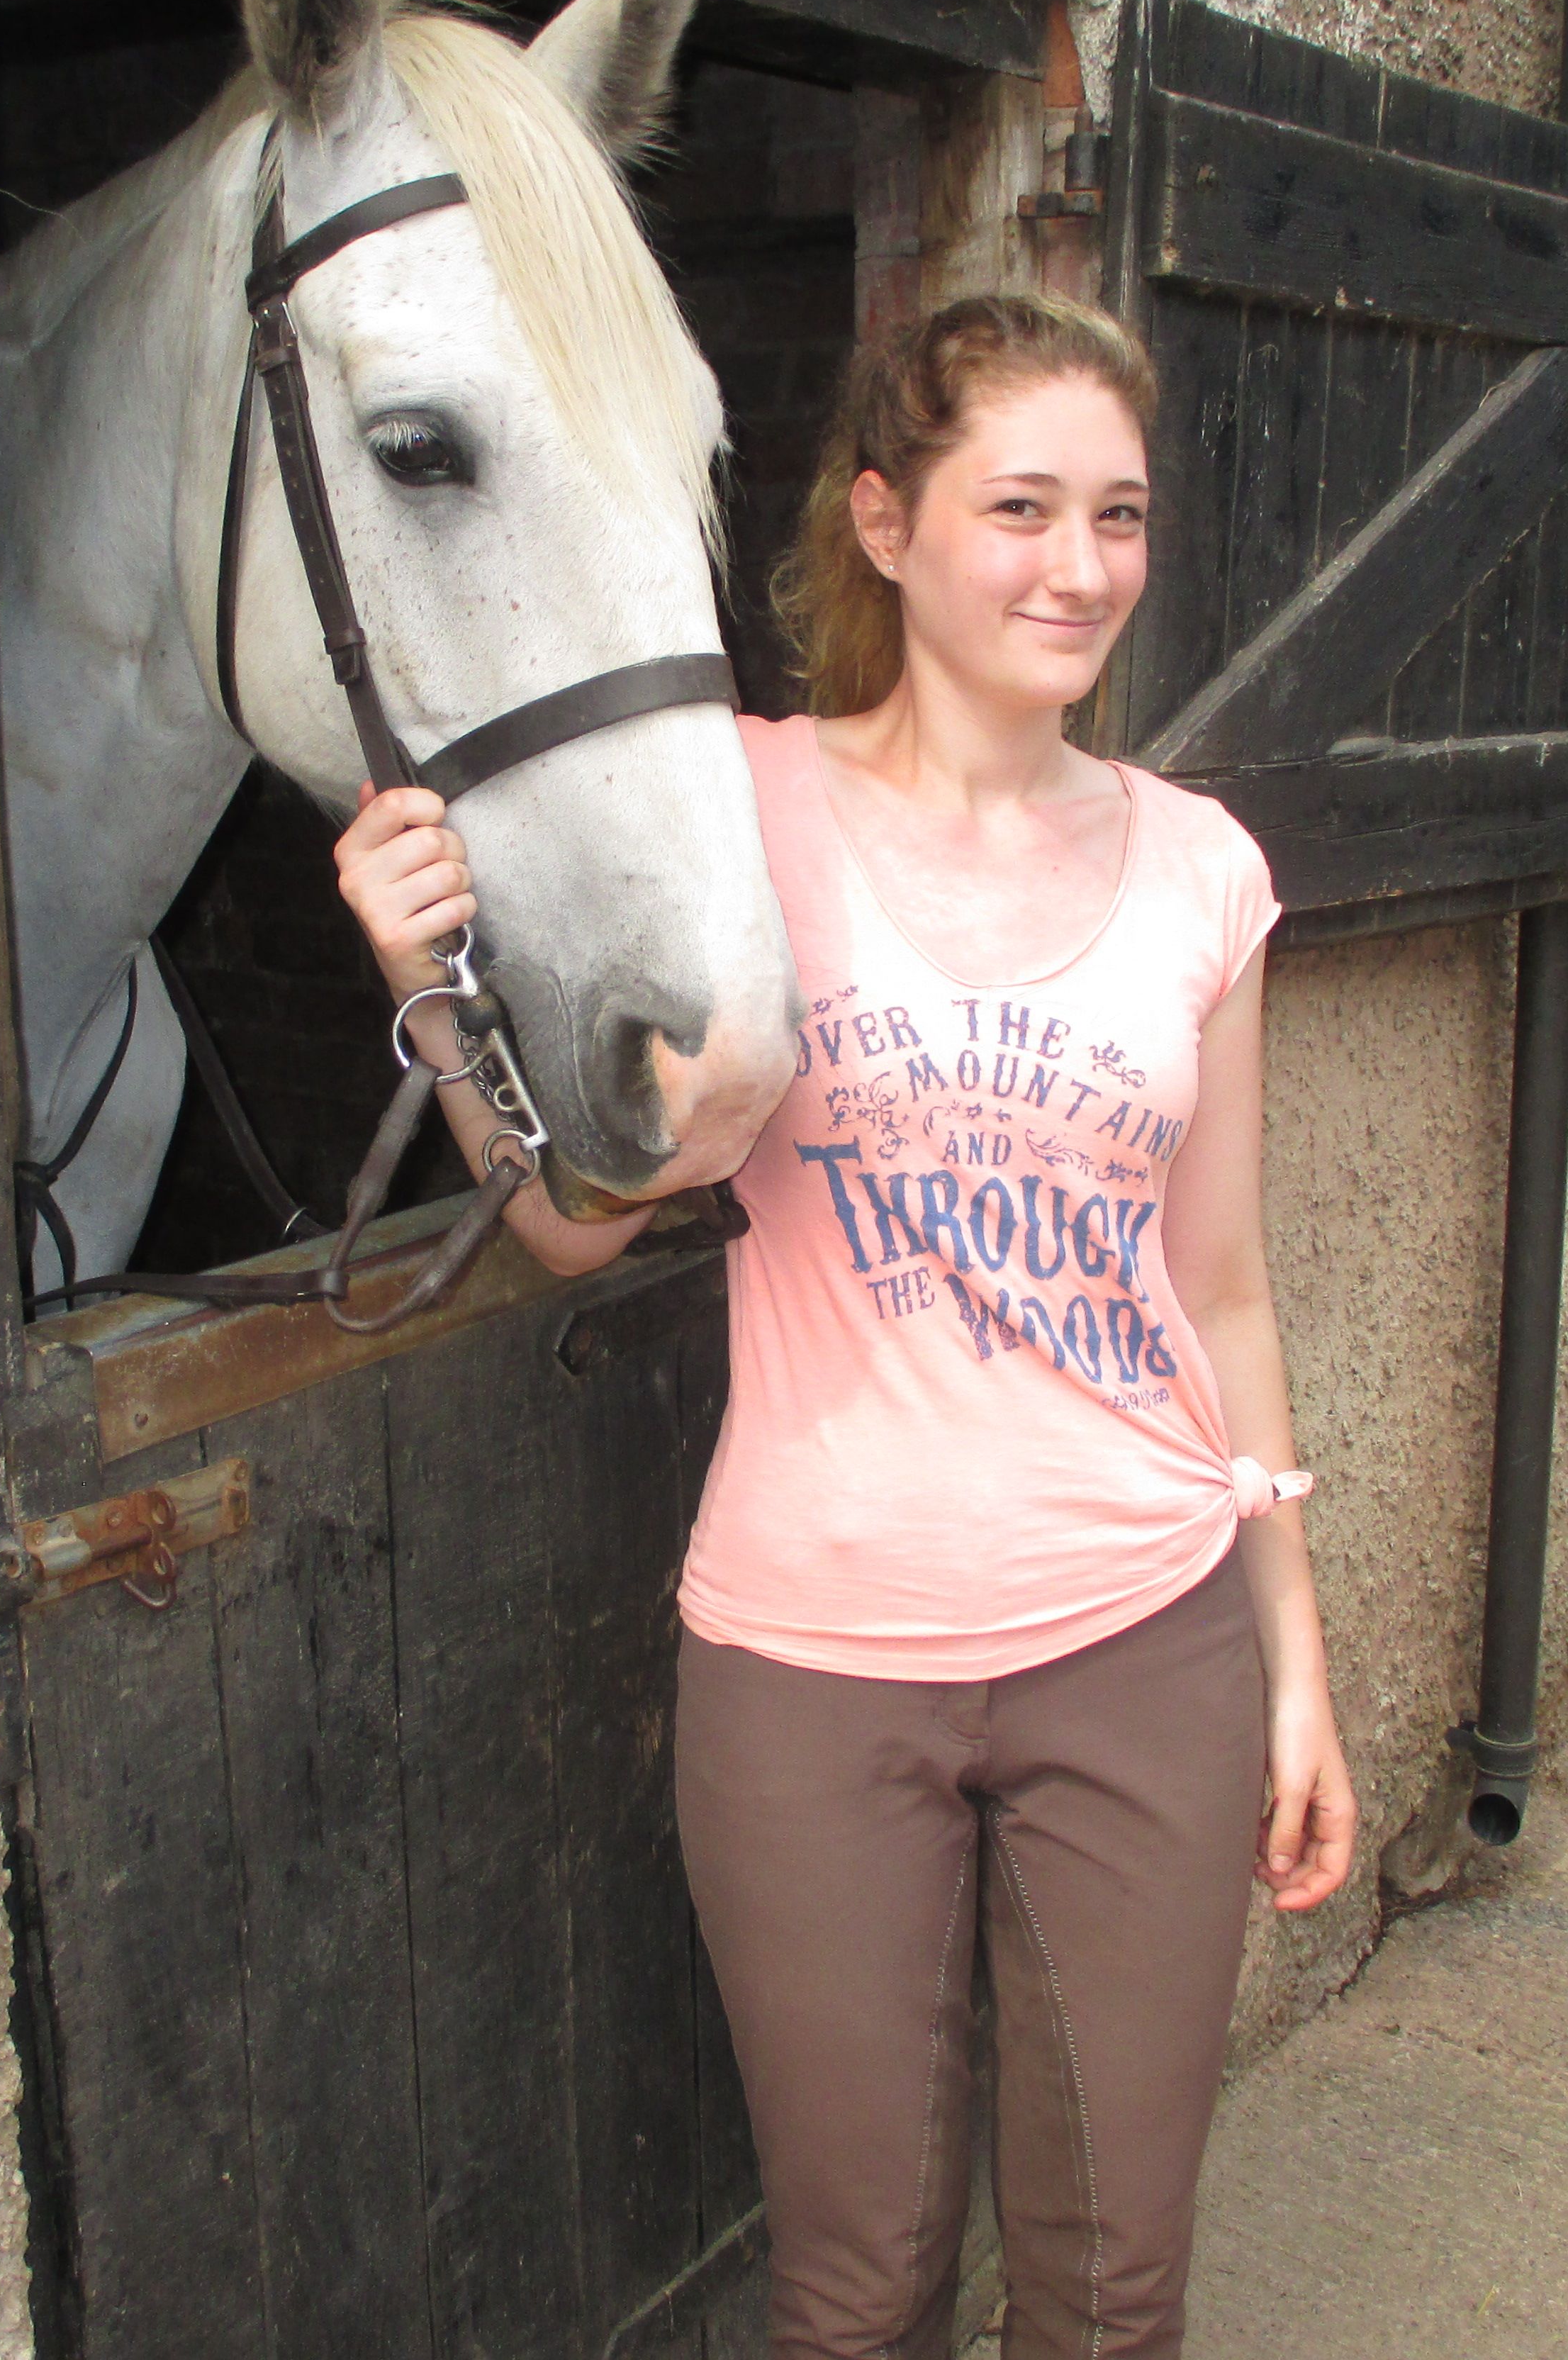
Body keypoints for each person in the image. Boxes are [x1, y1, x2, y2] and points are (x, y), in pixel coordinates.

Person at [332, 293, 1356, 2359]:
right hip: (808, 1664)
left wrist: (1296, 1667)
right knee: (858, 2291)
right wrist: (430, 989)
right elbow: (577, 1229)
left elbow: (1222, 1288)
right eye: (1023, 508)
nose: (1083, 567)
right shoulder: (736, 808)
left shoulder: (1203, 871)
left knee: (1112, 2293)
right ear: (887, 523)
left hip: (1143, 1640)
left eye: (1121, 515)